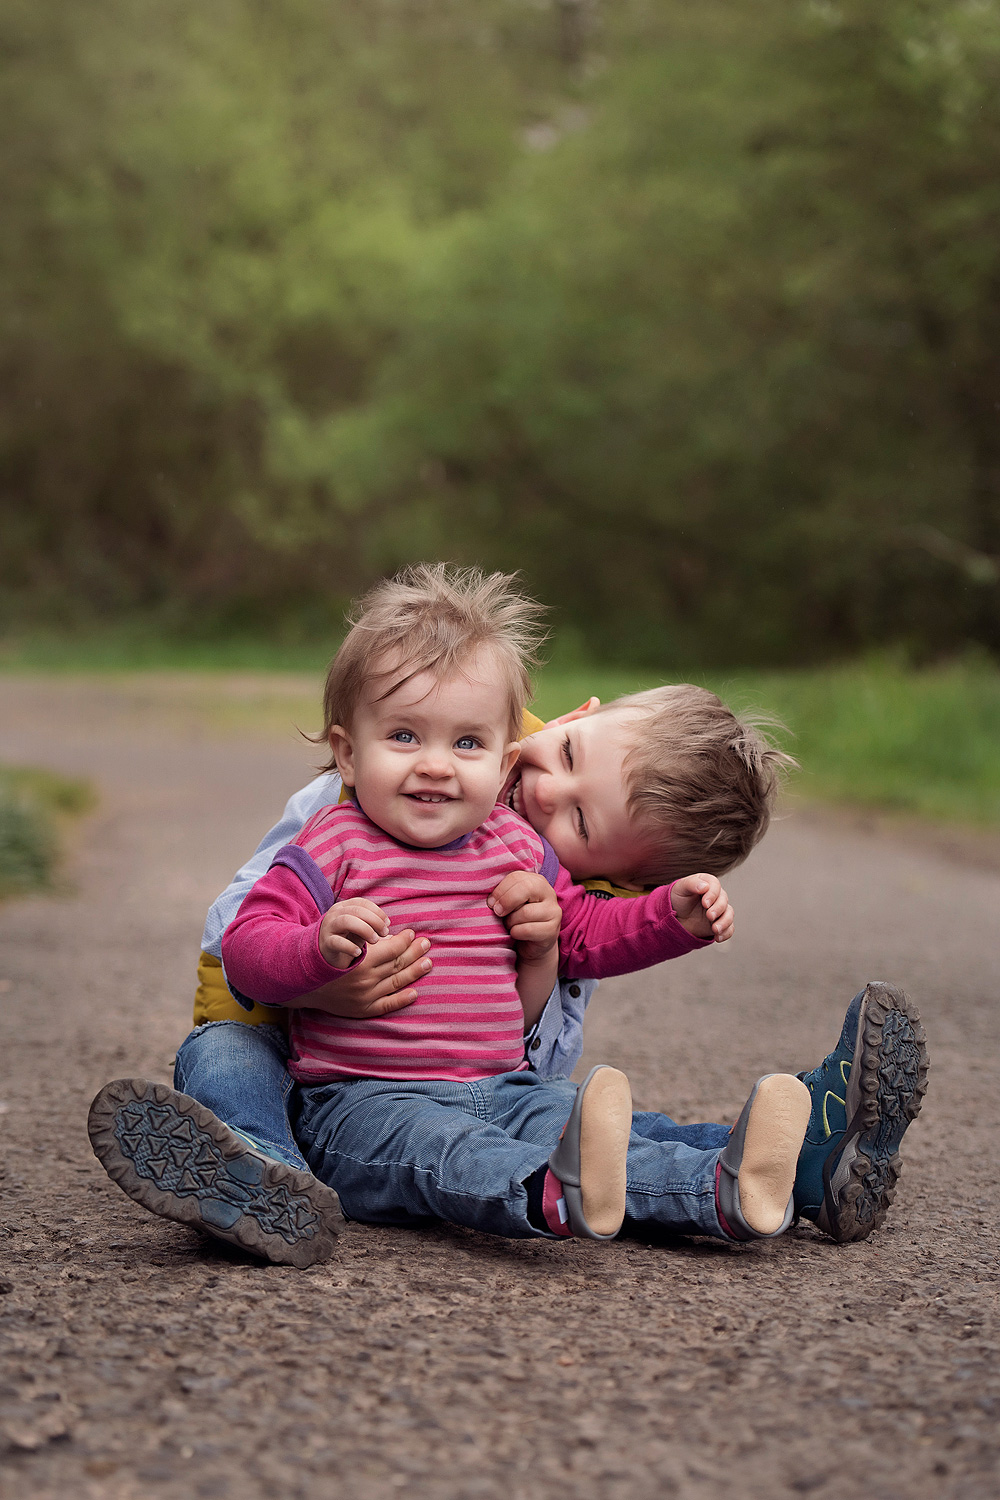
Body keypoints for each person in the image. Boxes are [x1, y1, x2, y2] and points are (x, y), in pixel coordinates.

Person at [89, 567, 928, 1264]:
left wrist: (669, 917)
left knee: (600, 1130)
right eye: (405, 739)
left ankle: (745, 1188)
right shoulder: (335, 833)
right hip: (356, 1092)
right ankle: (280, 1175)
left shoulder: (516, 848)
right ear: (349, 750)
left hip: (500, 1082)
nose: (438, 768)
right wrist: (316, 963)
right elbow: (244, 942)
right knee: (423, 1139)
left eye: (464, 746)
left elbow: (586, 938)